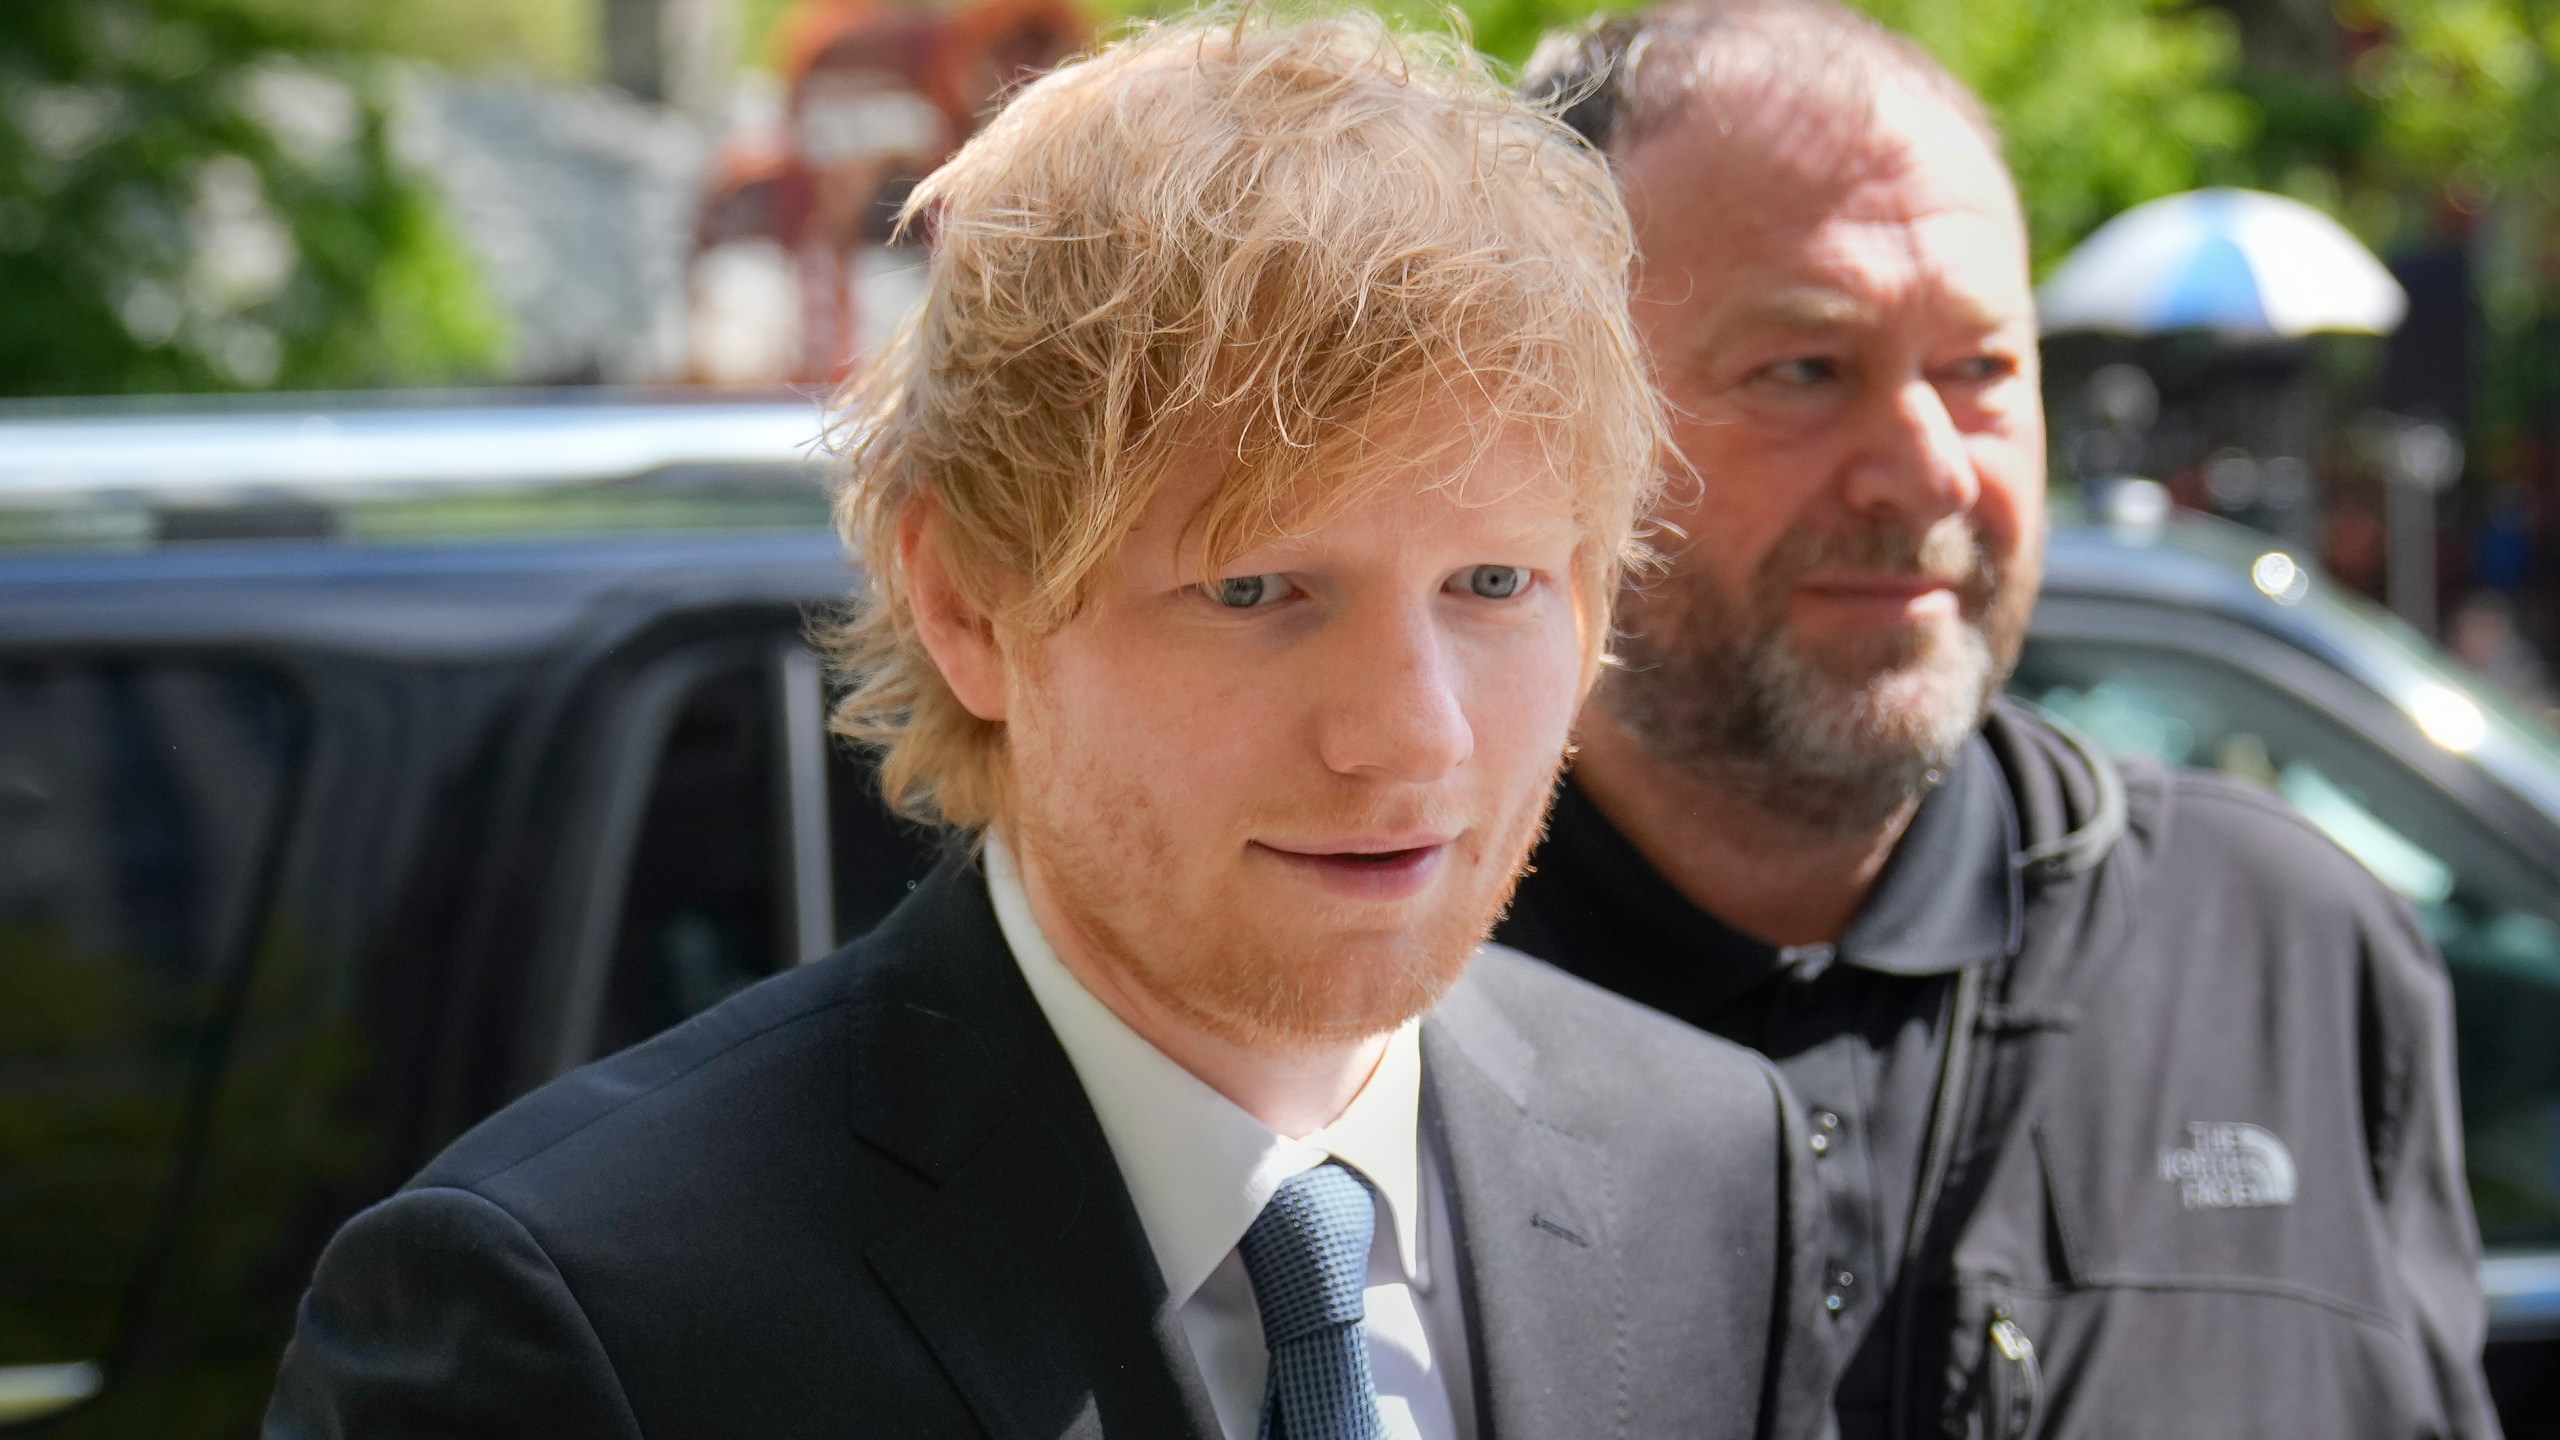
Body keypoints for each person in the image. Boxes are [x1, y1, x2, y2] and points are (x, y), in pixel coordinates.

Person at [264, 13, 1829, 1440]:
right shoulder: (576, 1315)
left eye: (1494, 583)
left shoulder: (1710, 1170)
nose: (1411, 739)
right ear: (967, 604)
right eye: (1259, 589)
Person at [1500, 5, 2504, 1438]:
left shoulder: (2293, 963)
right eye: (1805, 369)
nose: (1926, 474)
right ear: (1556, 416)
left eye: (1979, 369)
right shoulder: (1375, 995)